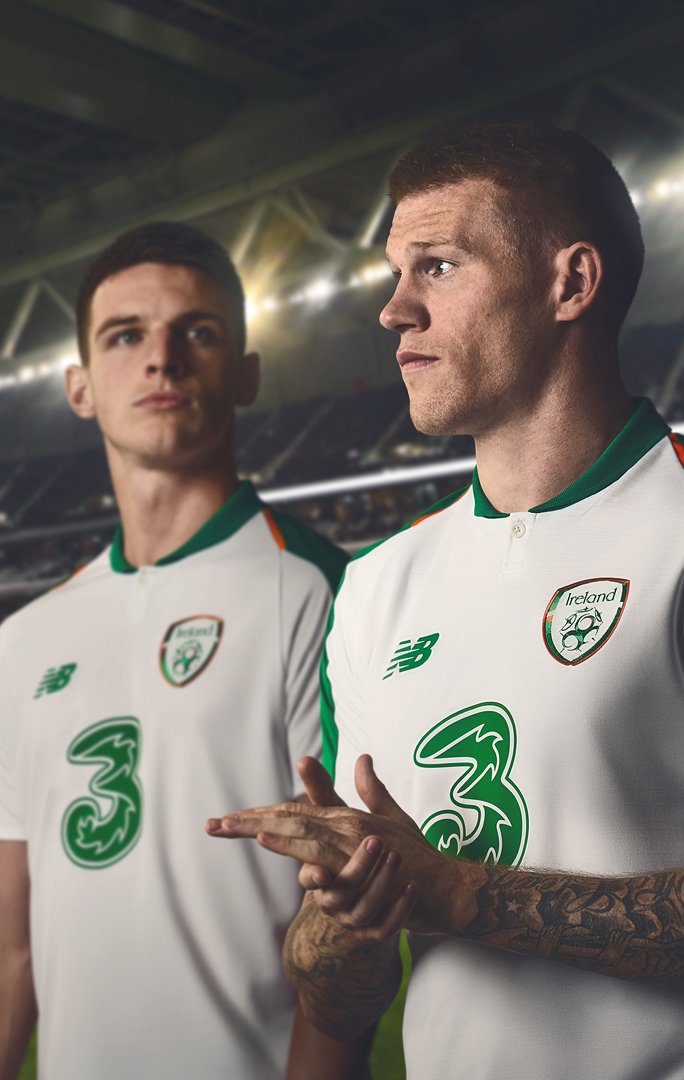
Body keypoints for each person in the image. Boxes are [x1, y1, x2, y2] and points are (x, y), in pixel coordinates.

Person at [209, 122, 684, 1080]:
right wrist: (346, 917)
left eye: (439, 267)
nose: (393, 310)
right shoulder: (376, 585)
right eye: (395, 273)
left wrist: (460, 894)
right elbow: (340, 999)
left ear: (570, 283)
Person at [0, 222, 360, 1079]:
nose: (161, 359)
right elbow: (10, 946)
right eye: (125, 336)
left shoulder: (321, 591)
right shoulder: (23, 638)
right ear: (80, 386)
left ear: (246, 372)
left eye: (196, 331)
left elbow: (349, 933)